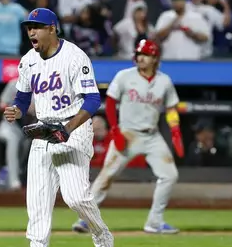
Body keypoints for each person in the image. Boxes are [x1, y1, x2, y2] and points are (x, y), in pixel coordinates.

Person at [3, 8, 115, 247]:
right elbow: (23, 94)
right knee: (37, 206)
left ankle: (102, 236)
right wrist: (17, 109)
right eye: (29, 26)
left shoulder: (74, 56)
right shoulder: (28, 60)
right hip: (43, 131)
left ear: (52, 28)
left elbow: (92, 100)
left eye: (37, 26)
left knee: (76, 198)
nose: (31, 31)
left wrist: (69, 128)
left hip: (73, 129)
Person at [72, 39, 184, 235]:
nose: (141, 57)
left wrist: (175, 130)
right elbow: (110, 103)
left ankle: (155, 222)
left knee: (170, 175)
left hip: (152, 135)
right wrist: (115, 131)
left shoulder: (164, 81)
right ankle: (85, 220)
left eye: (146, 54)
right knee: (107, 175)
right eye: (139, 54)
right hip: (127, 133)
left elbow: (171, 108)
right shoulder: (125, 76)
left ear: (155, 58)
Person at [0, 78, 25, 190]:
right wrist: (13, 108)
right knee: (13, 140)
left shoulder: (43, 84)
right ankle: (14, 181)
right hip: (9, 126)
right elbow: (1, 105)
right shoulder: (14, 83)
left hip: (29, 126)